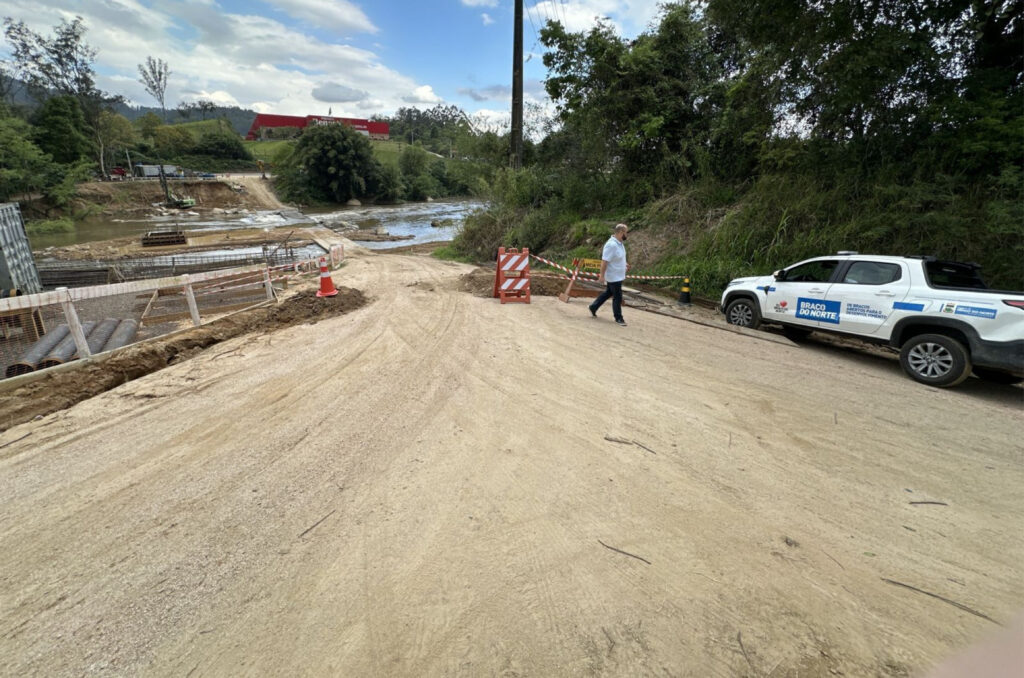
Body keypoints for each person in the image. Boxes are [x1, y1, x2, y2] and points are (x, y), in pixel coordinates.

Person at [589, 223, 630, 326]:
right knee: (617, 297)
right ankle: (618, 318)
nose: (627, 234)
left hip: (618, 275)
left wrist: (625, 264)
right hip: (613, 276)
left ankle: (593, 307)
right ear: (621, 232)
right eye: (626, 232)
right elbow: (604, 261)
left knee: (608, 292)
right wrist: (601, 276)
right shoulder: (611, 245)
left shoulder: (619, 243)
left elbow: (617, 258)